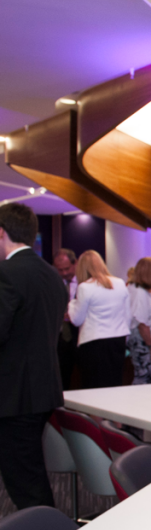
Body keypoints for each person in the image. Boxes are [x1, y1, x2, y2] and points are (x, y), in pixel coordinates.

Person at [0, 203, 66, 510]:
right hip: (42, 388)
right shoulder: (51, 275)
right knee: (29, 472)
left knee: (24, 479)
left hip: (15, 394)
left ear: (2, 234)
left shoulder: (8, 273)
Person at [68, 250, 130, 389]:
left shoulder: (85, 287)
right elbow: (128, 315)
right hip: (118, 340)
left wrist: (71, 304)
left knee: (94, 387)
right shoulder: (120, 283)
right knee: (115, 384)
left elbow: (77, 320)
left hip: (93, 343)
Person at [127, 257, 151, 385]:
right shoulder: (138, 292)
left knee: (150, 377)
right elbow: (142, 325)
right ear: (150, 271)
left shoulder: (150, 290)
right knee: (143, 376)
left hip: (150, 340)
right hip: (143, 342)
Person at [53, 248, 79, 390]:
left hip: (79, 336)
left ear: (75, 263)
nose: (64, 273)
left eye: (67, 269)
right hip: (61, 338)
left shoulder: (85, 281)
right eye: (60, 270)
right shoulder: (53, 282)